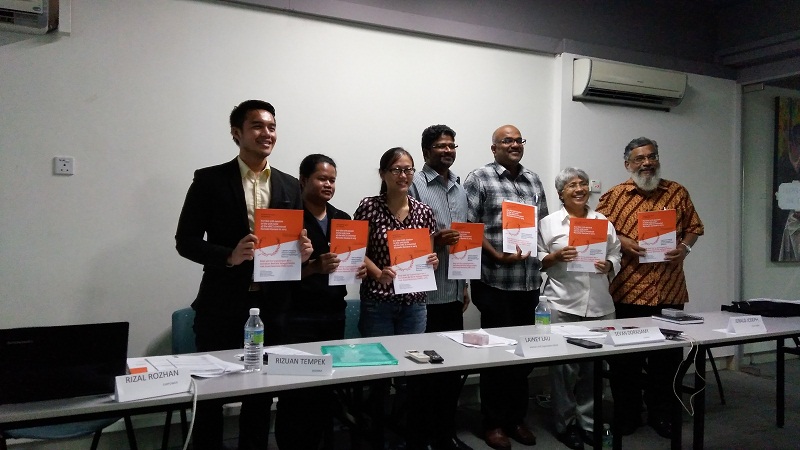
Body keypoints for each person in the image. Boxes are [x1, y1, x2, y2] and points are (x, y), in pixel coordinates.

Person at [175, 100, 312, 450]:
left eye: (271, 126)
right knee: (210, 397)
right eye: (257, 126)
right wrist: (229, 256)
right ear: (237, 134)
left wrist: (302, 251)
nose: (266, 133)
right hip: (222, 304)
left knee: (262, 395)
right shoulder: (209, 180)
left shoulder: (289, 185)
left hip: (273, 306)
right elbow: (185, 241)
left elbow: (294, 240)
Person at [595, 136, 704, 439]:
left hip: (668, 289)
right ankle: (627, 414)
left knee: (666, 359)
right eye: (640, 158)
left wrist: (684, 248)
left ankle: (662, 413)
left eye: (652, 156)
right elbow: (598, 230)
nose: (647, 163)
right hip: (628, 290)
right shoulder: (615, 196)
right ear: (627, 163)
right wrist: (624, 242)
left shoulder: (677, 191)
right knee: (626, 360)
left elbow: (695, 227)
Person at [463, 125, 548, 449]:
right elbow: (470, 226)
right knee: (497, 354)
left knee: (523, 354)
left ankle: (516, 419)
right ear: (494, 147)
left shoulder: (534, 180)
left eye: (518, 140)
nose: (514, 145)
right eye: (507, 141)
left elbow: (542, 226)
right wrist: (497, 254)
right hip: (494, 280)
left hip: (527, 281)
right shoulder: (480, 178)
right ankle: (494, 423)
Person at [274, 154, 367, 450]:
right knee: (296, 390)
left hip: (332, 313)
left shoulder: (343, 219)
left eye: (332, 180)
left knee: (324, 389)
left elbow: (348, 264)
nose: (328, 184)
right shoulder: (286, 219)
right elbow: (272, 272)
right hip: (296, 315)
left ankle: (321, 441)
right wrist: (313, 267)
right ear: (303, 180)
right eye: (321, 178)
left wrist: (359, 270)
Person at [353, 147, 438, 450]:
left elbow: (428, 252)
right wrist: (377, 272)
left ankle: (410, 435)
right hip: (379, 302)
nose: (403, 175)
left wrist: (432, 261)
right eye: (396, 170)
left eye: (408, 170)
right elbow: (354, 249)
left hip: (414, 303)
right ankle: (376, 436)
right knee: (378, 374)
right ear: (383, 174)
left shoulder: (424, 211)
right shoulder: (369, 207)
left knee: (411, 374)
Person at [537, 167, 621, 450]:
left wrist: (609, 264)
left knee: (594, 370)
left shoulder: (602, 222)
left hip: (599, 304)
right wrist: (554, 256)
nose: (579, 189)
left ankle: (589, 422)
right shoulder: (548, 223)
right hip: (562, 303)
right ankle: (565, 424)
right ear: (561, 193)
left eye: (583, 184)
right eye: (572, 185)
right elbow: (536, 258)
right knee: (563, 370)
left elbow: (615, 252)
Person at [407, 125, 473, 450]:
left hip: (452, 293)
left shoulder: (460, 189)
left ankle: (446, 434)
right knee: (424, 372)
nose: (447, 150)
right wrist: (435, 238)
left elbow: (465, 240)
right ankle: (423, 437)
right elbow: (403, 239)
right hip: (423, 296)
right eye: (440, 146)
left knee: (451, 370)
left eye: (452, 145)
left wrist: (465, 285)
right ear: (426, 151)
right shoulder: (414, 185)